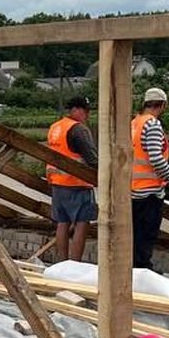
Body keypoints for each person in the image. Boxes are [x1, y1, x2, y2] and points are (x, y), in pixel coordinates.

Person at [44, 95, 100, 262]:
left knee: (62, 223)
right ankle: (75, 263)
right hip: (77, 183)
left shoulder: (55, 127)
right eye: (85, 111)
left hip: (58, 184)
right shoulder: (78, 130)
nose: (87, 115)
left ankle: (62, 263)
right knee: (82, 223)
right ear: (76, 110)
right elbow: (92, 159)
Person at [130, 88, 169, 270]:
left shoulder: (134, 123)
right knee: (146, 234)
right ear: (163, 105)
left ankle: (135, 268)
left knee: (135, 234)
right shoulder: (152, 125)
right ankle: (143, 270)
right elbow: (156, 158)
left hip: (133, 188)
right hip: (149, 190)